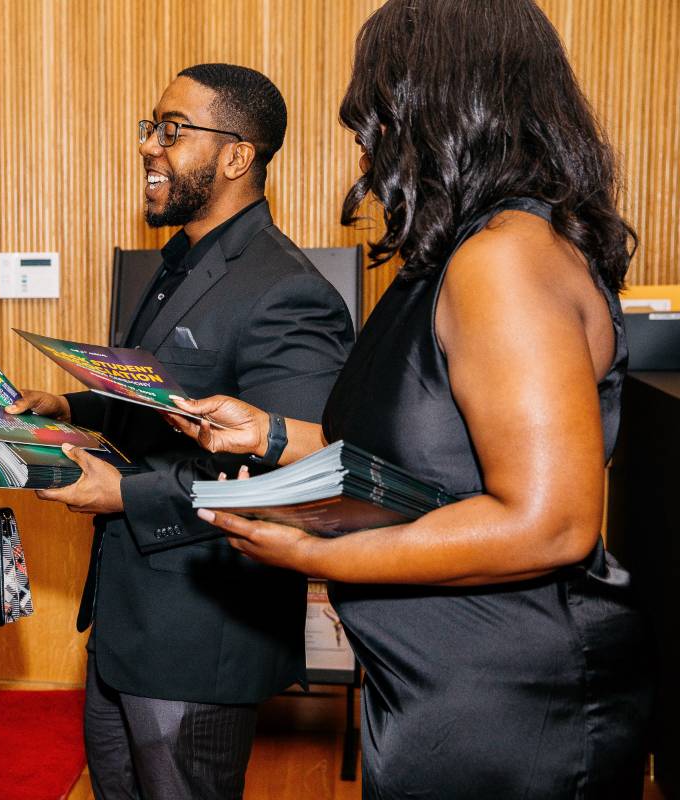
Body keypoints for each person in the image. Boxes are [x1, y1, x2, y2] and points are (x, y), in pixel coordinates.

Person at [169, 2, 652, 797]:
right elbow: (421, 458)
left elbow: (552, 522)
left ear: (442, 106)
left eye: (379, 111)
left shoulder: (502, 260)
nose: (366, 138)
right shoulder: (456, 254)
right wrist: (267, 434)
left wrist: (317, 557)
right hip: (439, 680)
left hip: (509, 701)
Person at [7, 64, 354, 798]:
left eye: (173, 130)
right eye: (149, 128)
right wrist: (74, 409)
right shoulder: (176, 264)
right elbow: (160, 407)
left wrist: (124, 496)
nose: (149, 147)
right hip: (129, 625)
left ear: (237, 156)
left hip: (199, 635)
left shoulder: (287, 291)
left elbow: (289, 478)